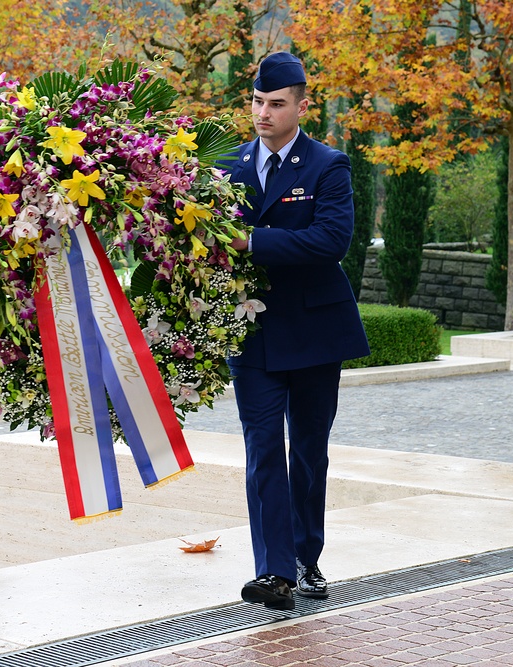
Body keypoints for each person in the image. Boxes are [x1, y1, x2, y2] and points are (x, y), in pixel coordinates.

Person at [227, 52, 371, 610]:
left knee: (309, 453)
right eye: (258, 102)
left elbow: (330, 241)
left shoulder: (327, 165)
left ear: (301, 106)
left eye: (276, 104)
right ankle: (274, 573)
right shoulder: (226, 163)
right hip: (252, 330)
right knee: (263, 449)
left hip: (314, 331)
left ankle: (307, 557)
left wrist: (252, 242)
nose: (264, 113)